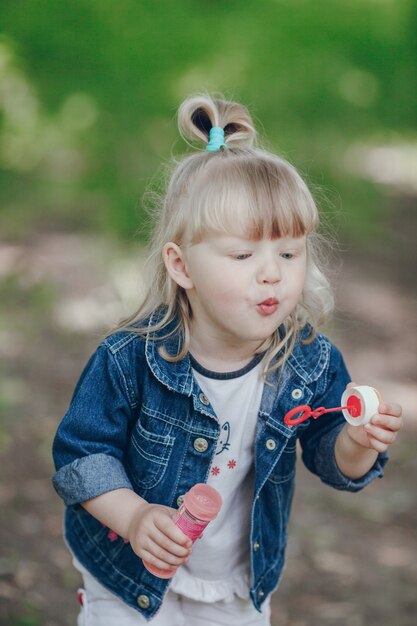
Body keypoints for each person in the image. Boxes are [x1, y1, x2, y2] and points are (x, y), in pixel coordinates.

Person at [52, 93, 403, 626]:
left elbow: (333, 460)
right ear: (182, 265)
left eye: (289, 253)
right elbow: (81, 456)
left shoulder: (307, 362)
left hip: (237, 584)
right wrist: (135, 516)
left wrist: (357, 442)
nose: (272, 273)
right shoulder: (130, 360)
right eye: (244, 255)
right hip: (128, 573)